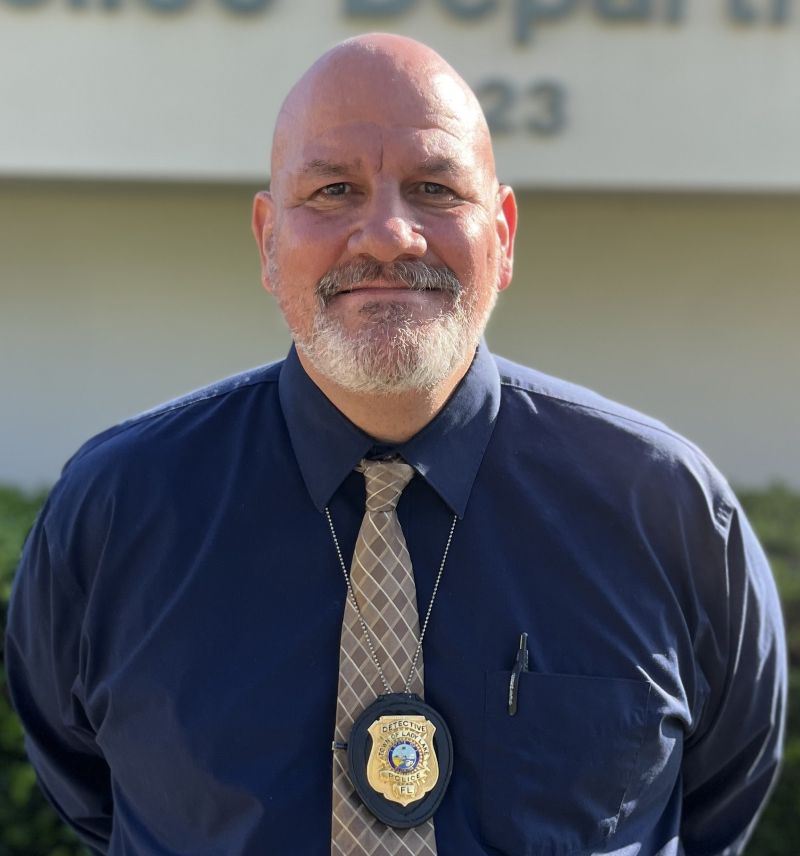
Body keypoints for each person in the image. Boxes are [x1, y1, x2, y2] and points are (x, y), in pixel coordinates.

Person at [5, 33, 786, 856]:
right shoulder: (117, 508)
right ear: (268, 241)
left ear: (504, 235)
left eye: (435, 188)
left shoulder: (666, 508)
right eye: (334, 189)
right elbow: (89, 789)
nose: (387, 235)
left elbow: (716, 802)